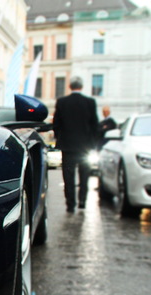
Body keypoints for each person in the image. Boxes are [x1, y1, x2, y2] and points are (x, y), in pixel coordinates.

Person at [53, 76, 99, 212]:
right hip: (85, 147)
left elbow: (56, 124)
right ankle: (82, 201)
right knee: (84, 176)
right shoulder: (90, 102)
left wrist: (59, 138)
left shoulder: (62, 102)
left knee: (68, 177)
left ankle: (70, 204)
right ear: (82, 86)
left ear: (70, 86)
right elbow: (94, 125)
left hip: (67, 147)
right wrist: (93, 143)